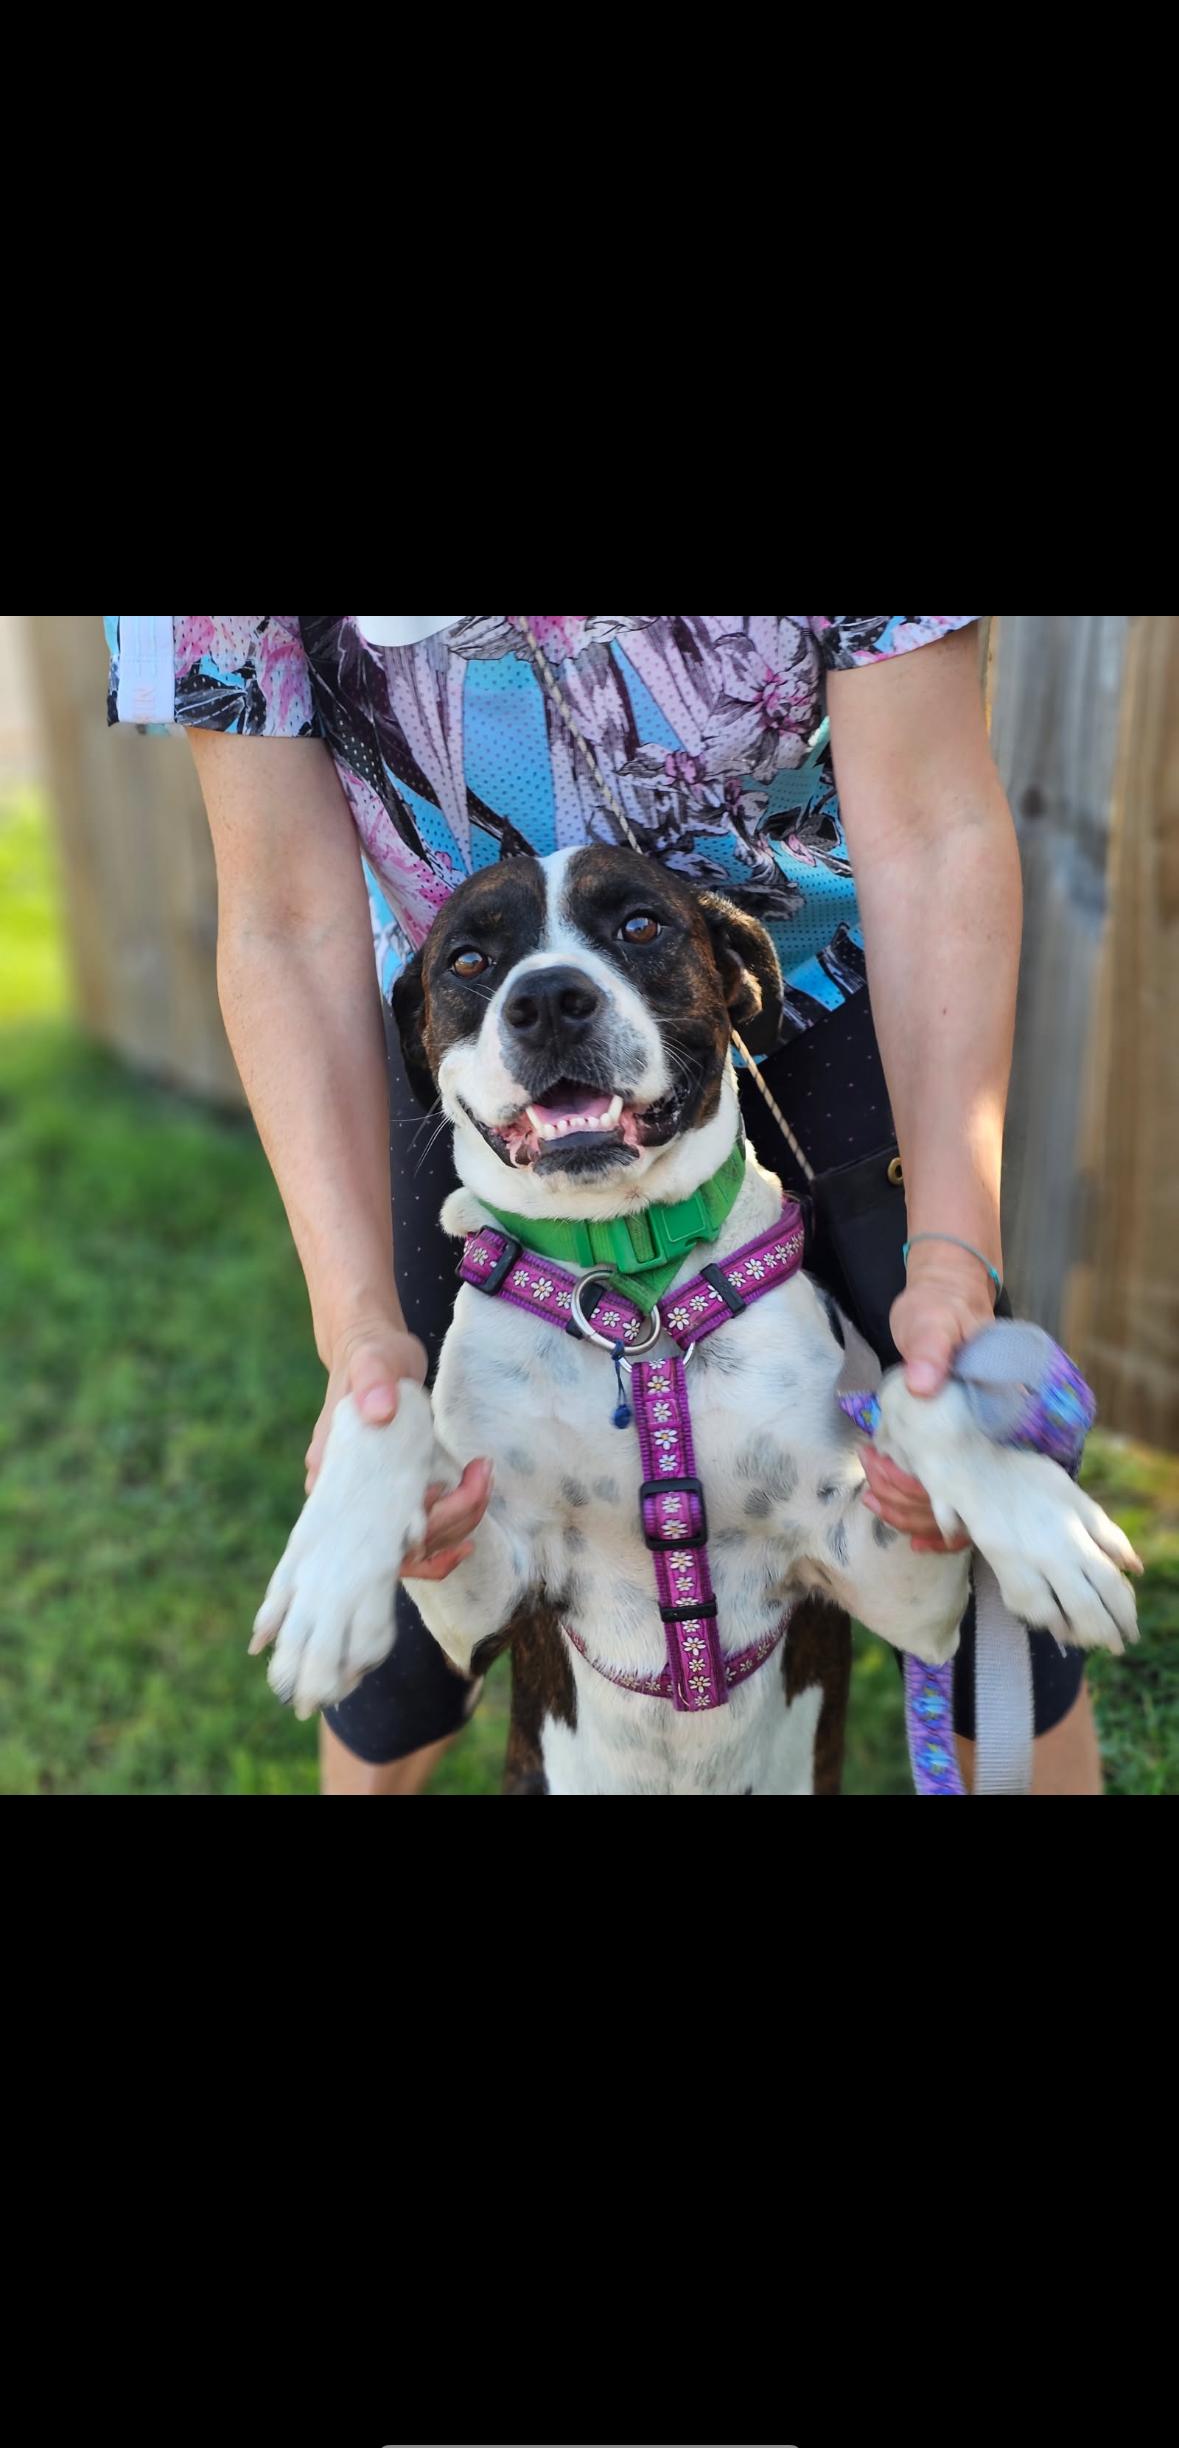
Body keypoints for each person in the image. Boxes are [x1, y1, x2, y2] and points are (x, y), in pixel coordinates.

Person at [105, 614, 1102, 1795]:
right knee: (390, 1551)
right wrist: (356, 1335)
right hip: (476, 1039)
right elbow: (280, 915)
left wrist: (947, 1259)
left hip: (818, 971)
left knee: (1003, 1559)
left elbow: (934, 826)